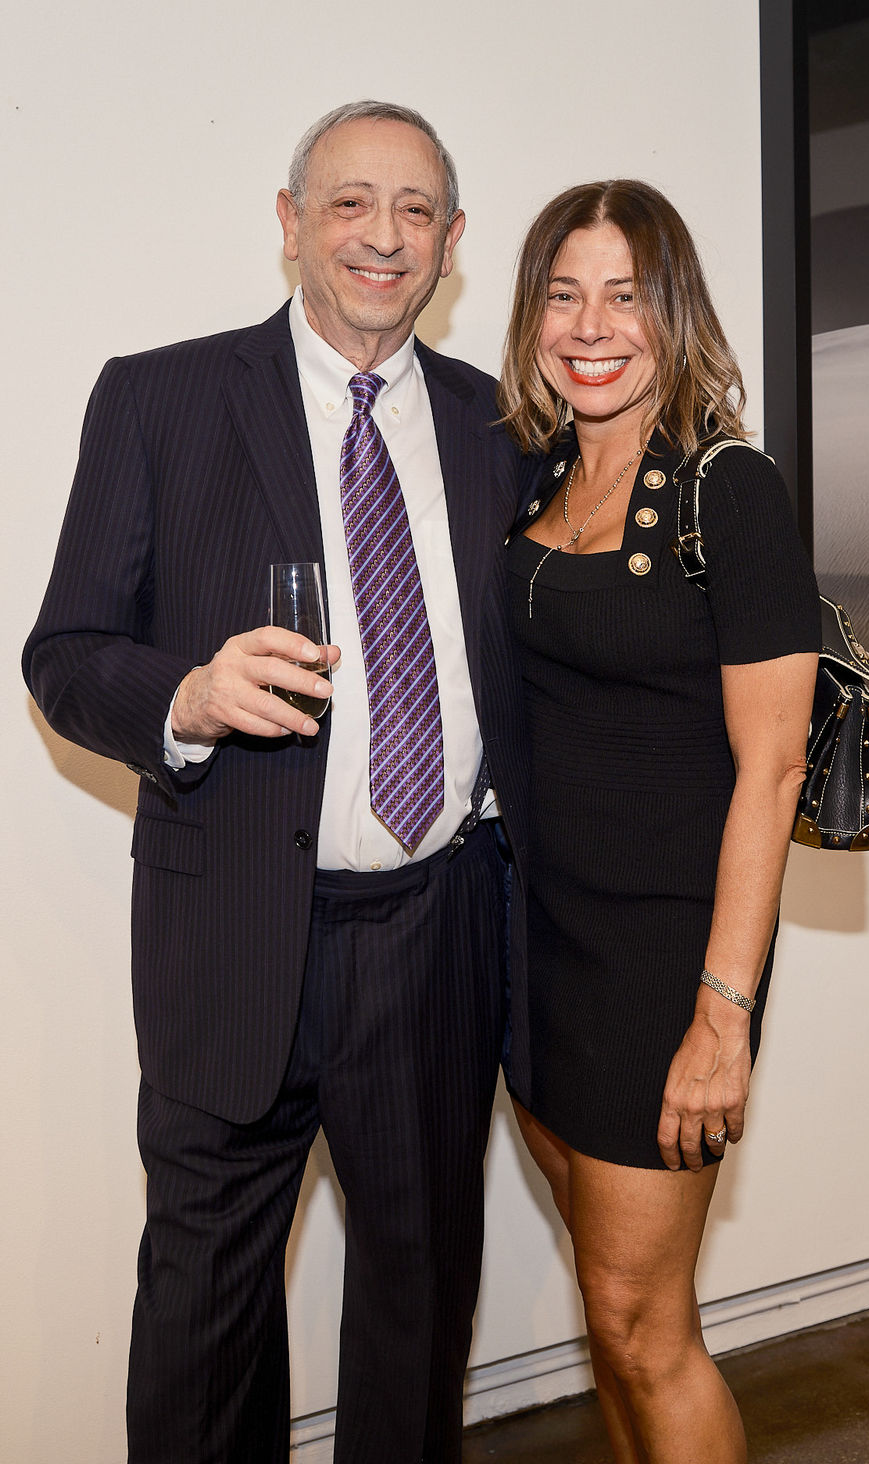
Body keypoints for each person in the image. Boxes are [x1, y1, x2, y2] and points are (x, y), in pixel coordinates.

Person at [23, 101, 529, 1464]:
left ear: (454, 243)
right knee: (203, 1332)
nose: (383, 235)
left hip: (438, 933)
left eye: (416, 210)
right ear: (292, 221)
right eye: (351, 202)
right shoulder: (162, 398)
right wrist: (183, 699)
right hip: (231, 930)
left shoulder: (500, 428)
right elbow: (64, 656)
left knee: (418, 1315)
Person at [497, 180, 820, 1463]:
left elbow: (775, 766)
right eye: (564, 293)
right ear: (529, 318)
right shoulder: (534, 474)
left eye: (624, 294)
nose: (591, 324)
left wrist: (721, 1016)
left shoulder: (727, 490)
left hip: (661, 966)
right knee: (606, 1312)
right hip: (539, 948)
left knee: (646, 1324)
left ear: (671, 310)